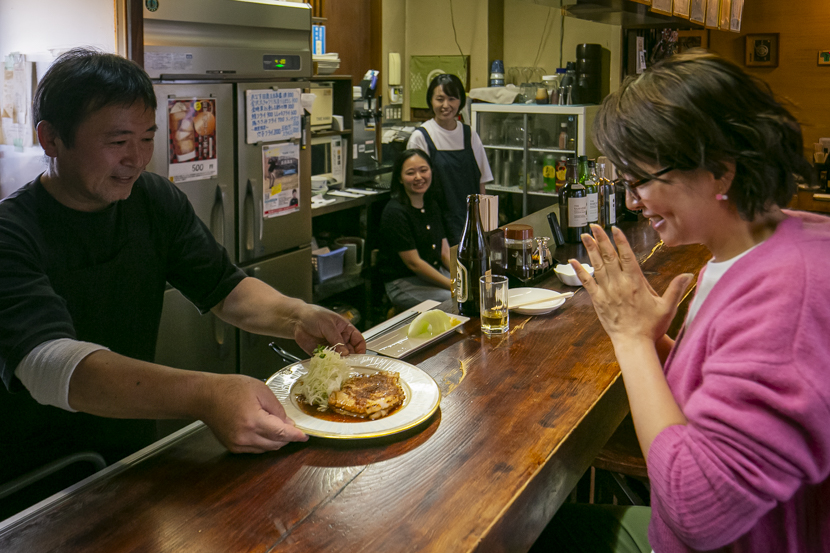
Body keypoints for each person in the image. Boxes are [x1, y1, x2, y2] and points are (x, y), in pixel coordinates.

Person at [0, 49, 365, 489]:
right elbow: (50, 365)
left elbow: (225, 287)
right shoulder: (11, 233)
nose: (137, 158)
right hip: (37, 478)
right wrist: (207, 394)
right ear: (51, 139)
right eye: (117, 142)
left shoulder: (153, 200)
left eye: (146, 138)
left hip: (132, 452)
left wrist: (297, 315)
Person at [532, 51, 830, 552]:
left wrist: (631, 340)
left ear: (720, 171)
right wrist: (657, 341)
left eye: (642, 181)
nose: (632, 201)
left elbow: (696, 509)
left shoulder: (791, 295)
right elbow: (720, 397)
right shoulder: (749, 248)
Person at [407, 73, 493, 245]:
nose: (446, 105)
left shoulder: (470, 135)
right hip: (436, 224)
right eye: (440, 99)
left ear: (460, 102)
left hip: (470, 223)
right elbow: (414, 188)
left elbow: (481, 183)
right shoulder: (420, 137)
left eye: (452, 99)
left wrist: (485, 224)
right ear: (430, 101)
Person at [378, 149, 452, 311]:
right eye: (410, 173)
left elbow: (445, 252)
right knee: (456, 301)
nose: (419, 177)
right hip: (404, 282)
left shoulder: (432, 205)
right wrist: (454, 287)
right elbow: (415, 264)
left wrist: (463, 280)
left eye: (423, 170)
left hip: (433, 273)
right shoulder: (395, 212)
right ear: (400, 178)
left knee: (475, 292)